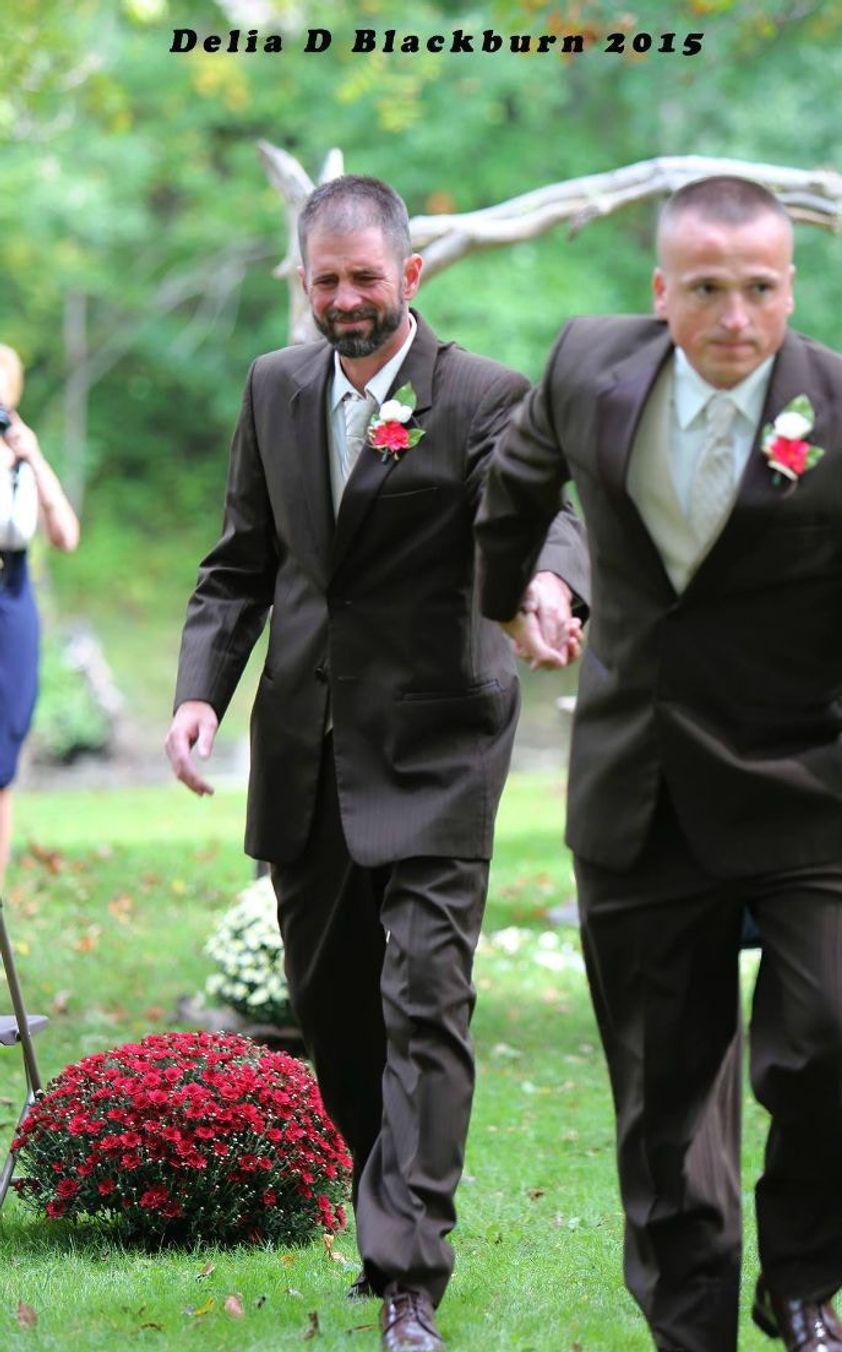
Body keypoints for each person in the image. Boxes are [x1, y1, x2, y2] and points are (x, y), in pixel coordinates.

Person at [476, 176, 842, 1352]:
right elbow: (514, 483)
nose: (734, 315)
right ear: (662, 291)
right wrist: (516, 594)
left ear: (787, 287)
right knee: (662, 1098)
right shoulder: (585, 367)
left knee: (835, 1041)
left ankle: (800, 1283)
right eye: (705, 288)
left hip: (813, 791)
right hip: (639, 790)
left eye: (757, 289)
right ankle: (688, 1321)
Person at [165, 176, 588, 1352]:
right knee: (337, 1015)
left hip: (438, 742)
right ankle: (381, 1200)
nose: (345, 300)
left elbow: (542, 507)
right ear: (303, 282)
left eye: (366, 277)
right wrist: (202, 694)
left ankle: (410, 1273)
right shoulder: (274, 385)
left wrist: (549, 583)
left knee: (424, 1001)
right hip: (303, 748)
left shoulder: (484, 395)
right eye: (325, 279)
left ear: (412, 275)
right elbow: (241, 562)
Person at [0, 344, 80, 890]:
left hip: (12, 596)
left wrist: (33, 458)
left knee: (6, 744)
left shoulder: (21, 454)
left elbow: (66, 537)